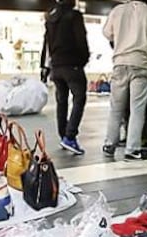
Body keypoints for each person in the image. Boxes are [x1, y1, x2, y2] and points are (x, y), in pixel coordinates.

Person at [102, 0, 147, 161]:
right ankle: (132, 148)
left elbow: (107, 33)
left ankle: (109, 144)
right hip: (141, 64)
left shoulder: (117, 10)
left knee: (116, 108)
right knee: (137, 109)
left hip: (120, 63)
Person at [41, 0, 89, 155]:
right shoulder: (74, 16)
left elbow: (46, 44)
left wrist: (46, 67)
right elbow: (81, 39)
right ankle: (70, 136)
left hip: (56, 65)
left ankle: (64, 135)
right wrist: (84, 59)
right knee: (79, 98)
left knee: (62, 101)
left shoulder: (50, 17)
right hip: (72, 64)